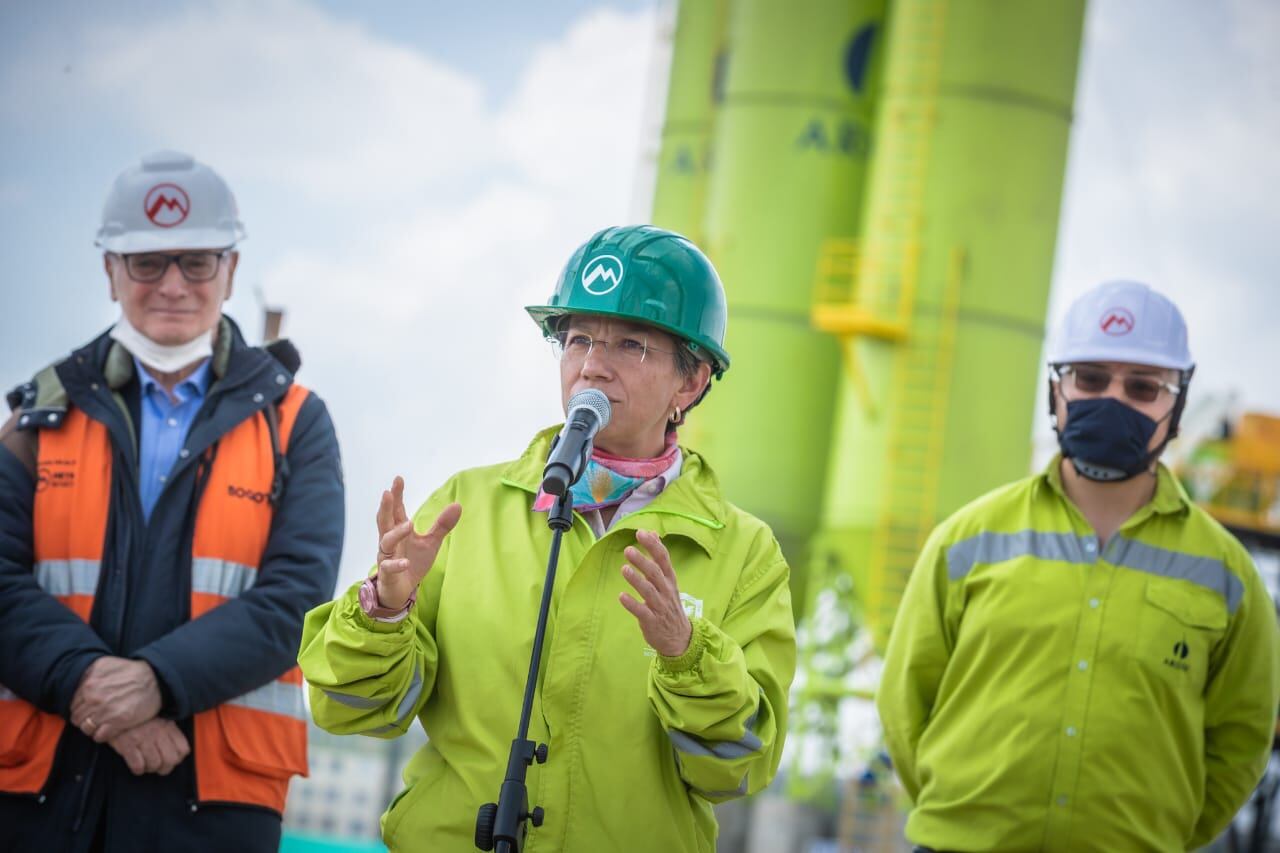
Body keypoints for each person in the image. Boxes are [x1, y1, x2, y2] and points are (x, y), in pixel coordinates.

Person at [299, 225, 796, 852]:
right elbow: (353, 709)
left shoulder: (743, 554)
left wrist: (686, 655)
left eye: (631, 344)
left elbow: (738, 766)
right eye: (578, 338)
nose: (592, 364)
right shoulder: (466, 507)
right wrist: (383, 610)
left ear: (690, 383)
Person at [0, 151, 345, 852]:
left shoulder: (296, 422)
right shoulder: (37, 414)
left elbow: (295, 600)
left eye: (196, 262)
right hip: (35, 794)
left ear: (231, 270)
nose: (173, 285)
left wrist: (158, 682)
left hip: (212, 803)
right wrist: (93, 687)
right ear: (110, 272)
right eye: (147, 263)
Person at [877, 279, 1280, 851]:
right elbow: (904, 705)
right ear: (1055, 390)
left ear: (1178, 405)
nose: (1113, 400)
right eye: (1091, 379)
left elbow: (1240, 743)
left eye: (1143, 386)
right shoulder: (965, 541)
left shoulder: (1228, 575)